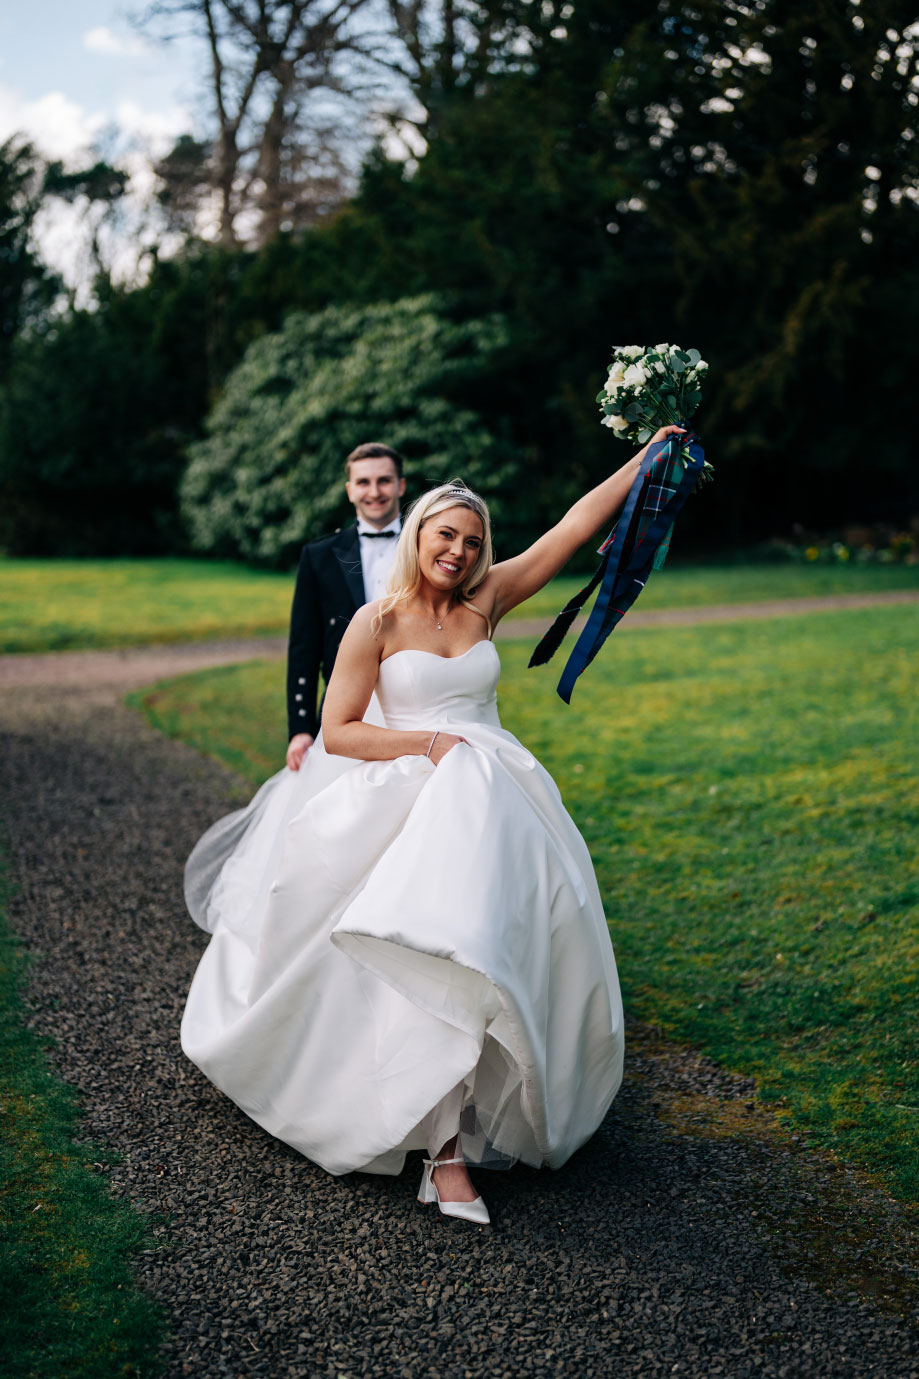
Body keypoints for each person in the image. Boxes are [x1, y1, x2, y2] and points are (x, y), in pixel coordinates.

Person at [181, 426, 683, 1225]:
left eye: (471, 540)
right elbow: (341, 728)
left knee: (496, 944)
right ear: (418, 535)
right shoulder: (374, 623)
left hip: (496, 802)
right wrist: (428, 744)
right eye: (445, 533)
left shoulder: (487, 600)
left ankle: (484, 1103)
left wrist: (647, 457)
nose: (457, 549)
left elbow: (574, 526)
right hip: (409, 790)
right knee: (432, 948)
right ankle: (441, 1153)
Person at [285, 442, 406, 771]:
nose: (374, 491)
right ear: (350, 490)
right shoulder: (319, 555)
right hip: (344, 705)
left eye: (384, 480)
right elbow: (304, 648)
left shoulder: (428, 544)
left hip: (413, 700)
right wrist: (300, 730)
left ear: (400, 485)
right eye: (363, 482)